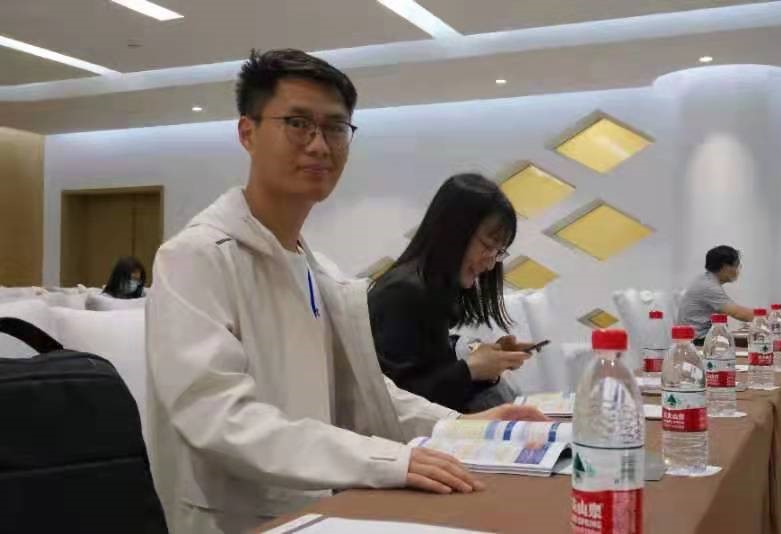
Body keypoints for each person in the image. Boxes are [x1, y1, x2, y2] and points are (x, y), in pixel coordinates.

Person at [145, 49, 546, 534]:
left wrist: (459, 427)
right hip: (239, 519)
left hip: (327, 505)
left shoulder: (320, 271)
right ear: (247, 133)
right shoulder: (195, 257)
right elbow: (219, 417)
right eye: (298, 123)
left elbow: (365, 394)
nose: (319, 145)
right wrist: (384, 460)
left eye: (335, 128)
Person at [369, 174, 538, 413]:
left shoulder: (426, 290)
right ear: (453, 232)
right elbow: (400, 403)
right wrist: (472, 369)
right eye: (488, 246)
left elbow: (430, 370)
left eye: (498, 252)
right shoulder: (402, 294)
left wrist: (489, 359)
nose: (491, 264)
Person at [677, 245, 754, 343]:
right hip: (698, 342)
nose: (738, 270)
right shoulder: (709, 286)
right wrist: (768, 316)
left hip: (699, 338)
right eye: (737, 265)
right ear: (726, 267)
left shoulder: (706, 280)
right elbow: (738, 313)